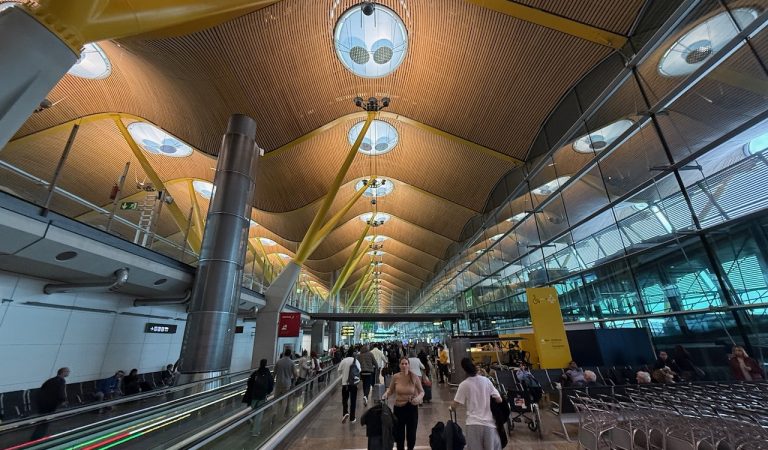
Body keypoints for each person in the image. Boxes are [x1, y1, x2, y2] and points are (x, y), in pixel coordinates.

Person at [451, 358, 503, 450]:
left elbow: (454, 405)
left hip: (473, 424)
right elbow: (499, 399)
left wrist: (451, 408)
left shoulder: (464, 384)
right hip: (488, 424)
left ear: (464, 369)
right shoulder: (486, 381)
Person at [383, 358, 424, 450]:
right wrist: (386, 394)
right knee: (399, 434)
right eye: (402, 364)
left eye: (406, 364)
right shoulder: (396, 377)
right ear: (399, 365)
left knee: (411, 434)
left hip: (411, 408)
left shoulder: (414, 377)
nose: (404, 366)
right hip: (398, 408)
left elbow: (422, 392)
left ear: (409, 365)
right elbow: (391, 390)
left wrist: (418, 398)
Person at [31, 367, 70, 440]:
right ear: (63, 372)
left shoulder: (50, 380)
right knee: (45, 422)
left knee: (42, 420)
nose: (69, 373)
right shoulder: (61, 381)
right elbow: (60, 392)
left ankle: (36, 438)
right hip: (49, 405)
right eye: (67, 371)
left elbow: (41, 390)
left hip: (42, 404)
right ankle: (37, 438)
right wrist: (63, 401)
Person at [242, 358, 274, 437]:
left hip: (254, 395)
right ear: (266, 364)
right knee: (259, 414)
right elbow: (271, 384)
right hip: (262, 396)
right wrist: (268, 392)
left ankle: (251, 426)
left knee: (252, 411)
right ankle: (255, 432)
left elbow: (249, 383)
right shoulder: (267, 373)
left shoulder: (255, 373)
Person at [360, 385, 395, 450]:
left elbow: (362, 420)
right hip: (385, 438)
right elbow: (395, 421)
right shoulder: (388, 411)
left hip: (373, 437)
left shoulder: (370, 411)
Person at [338, 348, 361, 423]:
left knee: (345, 400)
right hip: (353, 384)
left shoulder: (343, 360)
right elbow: (359, 370)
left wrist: (344, 374)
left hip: (345, 383)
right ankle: (352, 418)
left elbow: (339, 371)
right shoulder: (356, 361)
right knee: (353, 401)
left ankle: (345, 413)